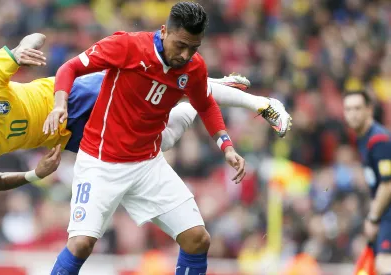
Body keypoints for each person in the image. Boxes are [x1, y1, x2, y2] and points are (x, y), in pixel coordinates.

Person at [44, 2, 290, 274]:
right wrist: (59, 104)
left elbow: (206, 105)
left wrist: (227, 147)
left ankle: (250, 98)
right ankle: (248, 97)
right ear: (164, 31)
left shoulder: (193, 67)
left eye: (194, 48)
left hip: (147, 164)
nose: (185, 55)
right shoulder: (128, 47)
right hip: (100, 163)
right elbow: (69, 68)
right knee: (81, 244)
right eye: (181, 45)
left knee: (198, 239)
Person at [0, 33, 291, 191]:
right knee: (162, 141)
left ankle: (263, 105)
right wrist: (33, 175)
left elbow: (37, 37)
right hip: (75, 137)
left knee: (157, 89)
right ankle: (206, 88)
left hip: (73, 97)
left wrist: (24, 49)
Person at [343, 91, 391, 275]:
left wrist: (373, 217)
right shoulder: (362, 137)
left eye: (357, 108)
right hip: (384, 211)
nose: (352, 113)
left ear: (369, 110)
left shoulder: (378, 140)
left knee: (384, 265)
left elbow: (388, 184)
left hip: (388, 213)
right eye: (348, 109)